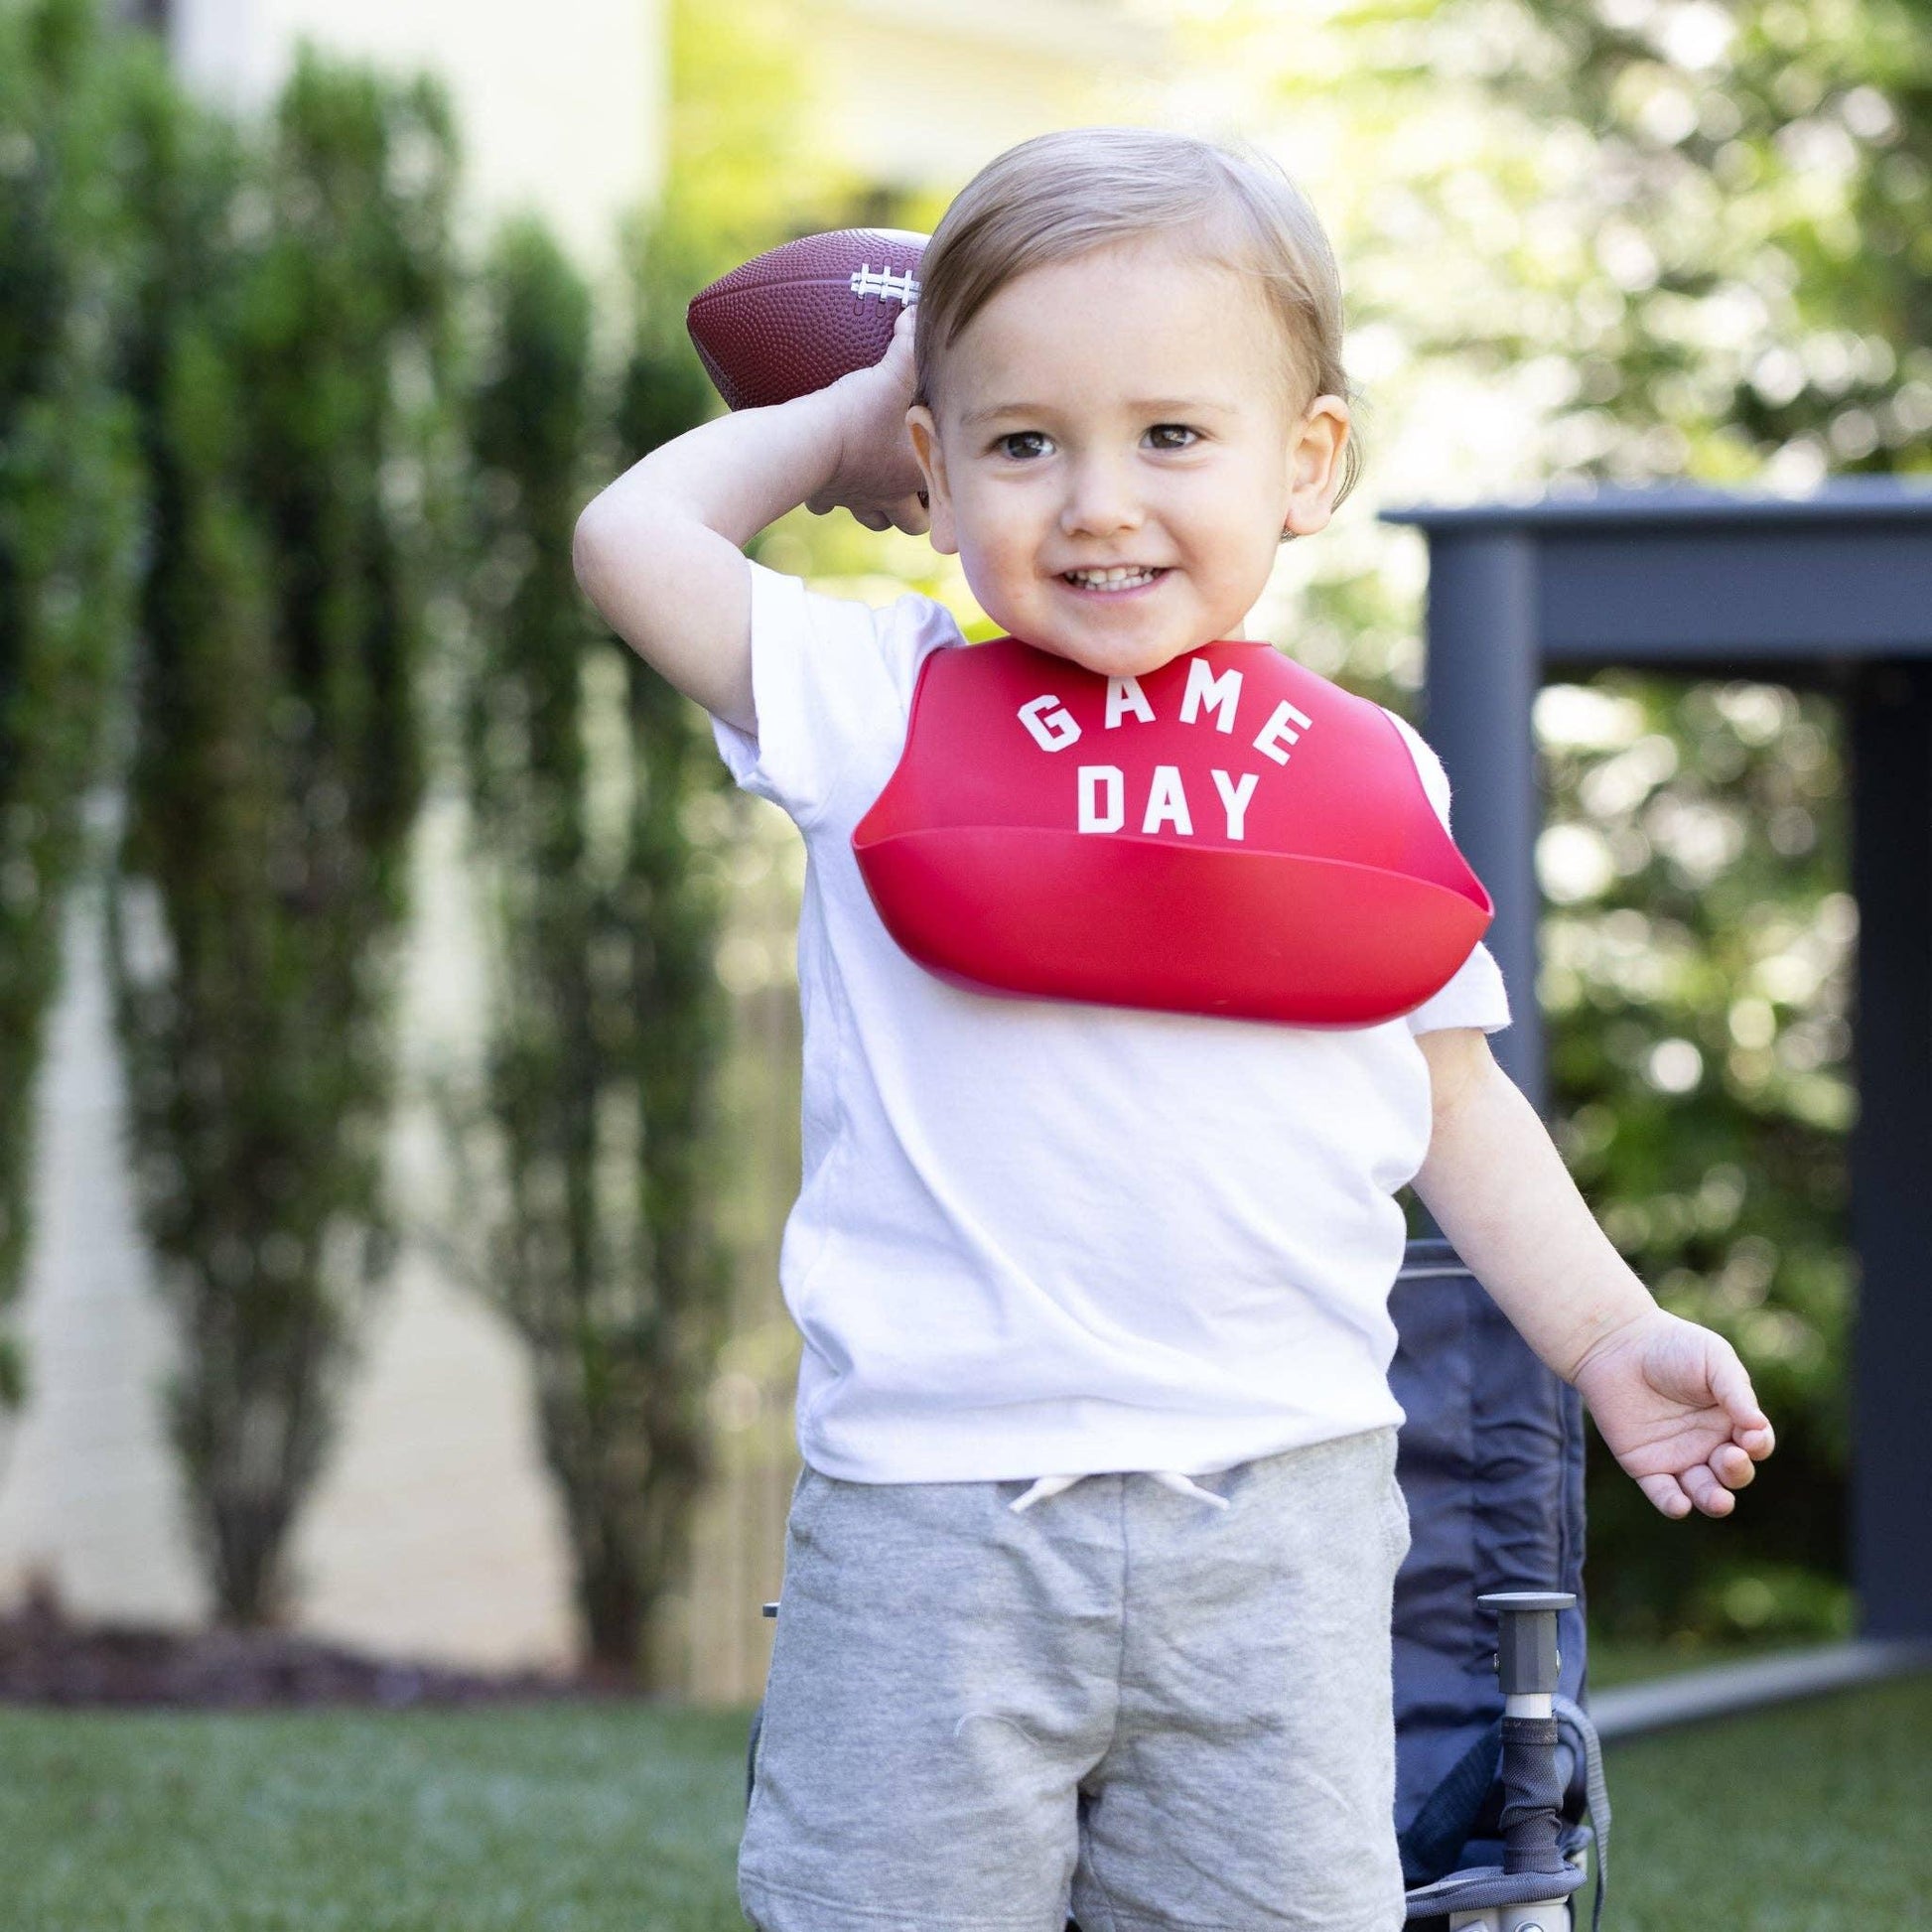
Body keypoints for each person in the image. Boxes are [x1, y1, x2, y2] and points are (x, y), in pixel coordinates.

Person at [572, 126, 1776, 1932]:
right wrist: (844, 421)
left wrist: (1605, 1332)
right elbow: (631, 537)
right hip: (935, 1514)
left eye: (1172, 436)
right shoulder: (873, 701)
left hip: (1277, 1514)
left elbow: (1447, 1095)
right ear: (936, 464)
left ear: (1307, 466)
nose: (1099, 501)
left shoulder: (1366, 775)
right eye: (1023, 442)